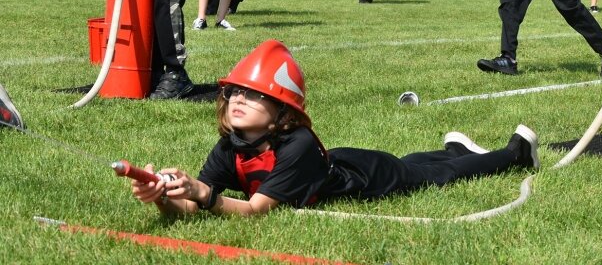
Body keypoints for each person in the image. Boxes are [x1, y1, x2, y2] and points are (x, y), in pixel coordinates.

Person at [128, 40, 539, 216]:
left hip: (369, 177)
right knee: (419, 163)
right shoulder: (230, 147)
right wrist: (164, 194)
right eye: (234, 91)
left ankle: (515, 154)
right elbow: (193, 208)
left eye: (253, 95)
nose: (238, 99)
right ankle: (454, 150)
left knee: (433, 176)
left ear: (281, 111)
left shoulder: (298, 143)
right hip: (337, 163)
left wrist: (204, 193)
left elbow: (254, 212)